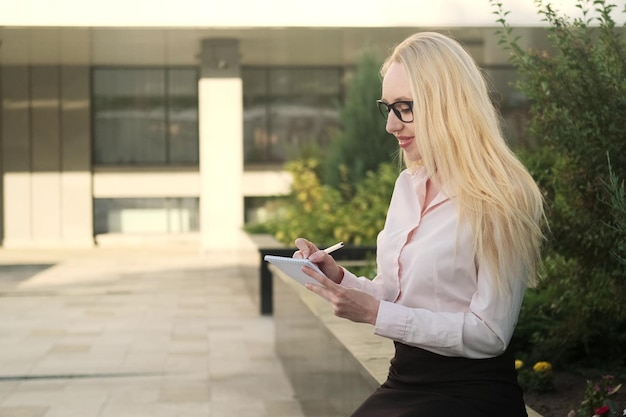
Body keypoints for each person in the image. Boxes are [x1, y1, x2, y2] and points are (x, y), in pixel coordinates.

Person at [293, 31, 545, 417]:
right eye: (388, 108)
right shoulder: (407, 187)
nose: (392, 125)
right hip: (405, 381)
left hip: (471, 395)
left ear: (449, 104)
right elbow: (398, 294)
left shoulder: (503, 196)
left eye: (405, 107)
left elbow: (491, 334)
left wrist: (376, 315)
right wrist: (340, 279)